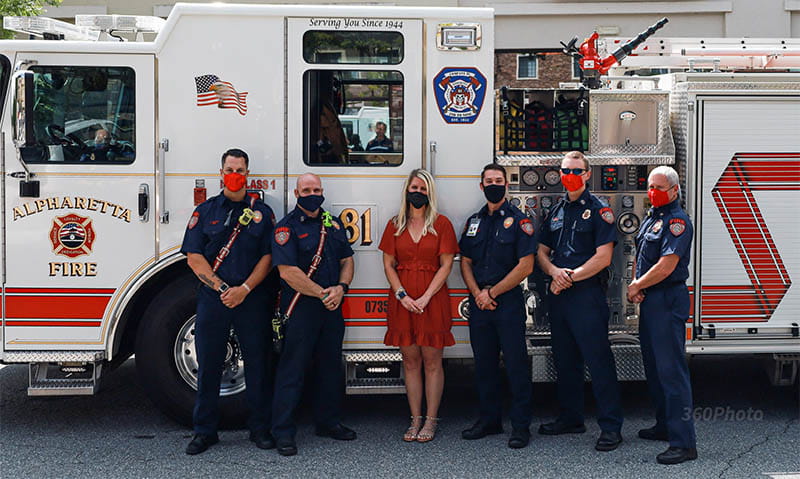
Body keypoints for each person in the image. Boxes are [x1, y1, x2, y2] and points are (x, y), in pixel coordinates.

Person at [180, 148, 277, 455]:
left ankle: (260, 429)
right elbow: (194, 257)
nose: (235, 174)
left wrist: (245, 288)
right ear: (220, 172)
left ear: (248, 174)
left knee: (258, 367)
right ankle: (205, 431)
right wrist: (223, 288)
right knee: (209, 366)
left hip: (251, 298)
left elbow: (269, 256)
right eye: (229, 169)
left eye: (240, 169)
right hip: (214, 298)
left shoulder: (263, 212)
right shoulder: (205, 211)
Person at [536, 151, 624, 451]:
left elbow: (604, 257)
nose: (570, 175)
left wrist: (568, 277)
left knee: (598, 362)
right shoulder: (556, 211)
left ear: (587, 174)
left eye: (576, 170)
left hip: (586, 295)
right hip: (560, 296)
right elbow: (541, 251)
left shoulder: (600, 211)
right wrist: (553, 272)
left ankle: (611, 427)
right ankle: (571, 418)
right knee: (565, 361)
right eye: (565, 170)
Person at [270, 173, 356, 456]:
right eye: (306, 190)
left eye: (316, 189)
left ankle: (328, 422)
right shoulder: (287, 228)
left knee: (330, 367)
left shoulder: (333, 223)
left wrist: (342, 288)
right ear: (296, 193)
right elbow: (288, 272)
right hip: (302, 307)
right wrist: (322, 293)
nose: (312, 194)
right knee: (293, 369)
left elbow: (347, 259)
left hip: (332, 306)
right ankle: (282, 431)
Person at [459, 164, 536, 449]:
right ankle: (489, 420)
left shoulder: (519, 221)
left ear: (507, 185)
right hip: (480, 303)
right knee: (484, 365)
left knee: (516, 366)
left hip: (507, 303)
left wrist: (491, 292)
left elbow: (525, 265)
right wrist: (478, 293)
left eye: (499, 180)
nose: (494, 184)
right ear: (481, 186)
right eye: (489, 181)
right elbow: (465, 261)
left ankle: (520, 426)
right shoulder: (473, 222)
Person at [379, 169, 458, 443]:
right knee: (410, 362)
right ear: (406, 190)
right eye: (414, 187)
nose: (418, 193)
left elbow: (446, 264)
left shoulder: (442, 224)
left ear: (430, 194)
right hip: (402, 301)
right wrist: (402, 295)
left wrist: (425, 297)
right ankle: (414, 419)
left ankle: (431, 420)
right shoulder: (395, 224)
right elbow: (388, 264)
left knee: (433, 362)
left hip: (432, 300)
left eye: (423, 189)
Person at [627, 166, 697, 465]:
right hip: (651, 298)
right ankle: (664, 426)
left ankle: (684, 444)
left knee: (672, 373)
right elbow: (641, 256)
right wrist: (636, 286)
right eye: (649, 187)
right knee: (654, 369)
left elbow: (667, 265)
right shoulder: (652, 218)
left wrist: (638, 285)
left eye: (657, 188)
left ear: (674, 191)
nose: (651, 192)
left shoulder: (677, 222)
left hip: (668, 299)